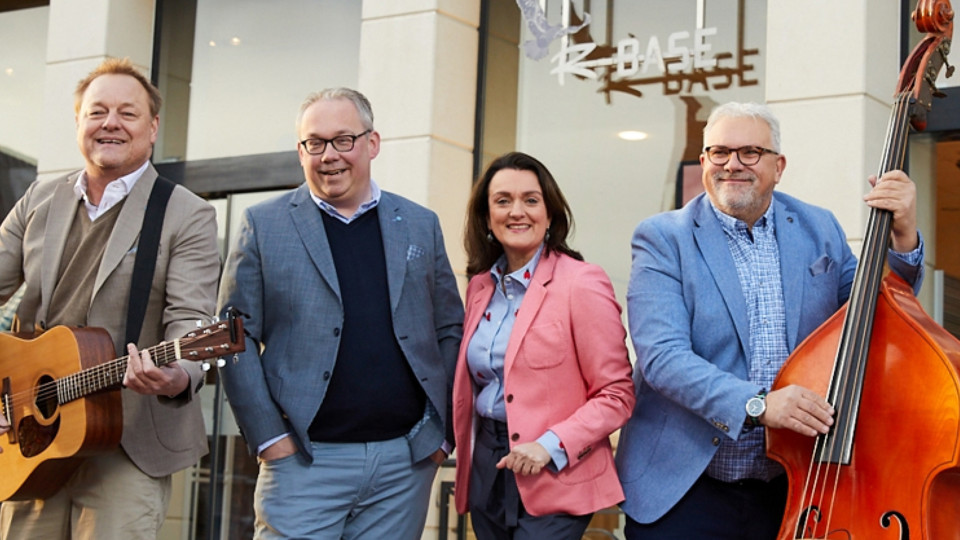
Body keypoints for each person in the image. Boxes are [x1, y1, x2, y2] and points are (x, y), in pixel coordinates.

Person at [614, 101, 924, 539]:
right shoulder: (663, 238)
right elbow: (663, 358)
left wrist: (903, 236)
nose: (732, 164)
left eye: (750, 152)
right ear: (704, 161)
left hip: (794, 485)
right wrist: (758, 404)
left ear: (778, 167)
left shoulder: (820, 227)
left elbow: (879, 315)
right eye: (720, 152)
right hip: (686, 489)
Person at [216, 87, 464, 540]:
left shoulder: (420, 223)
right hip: (303, 462)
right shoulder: (264, 225)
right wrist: (269, 438)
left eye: (343, 140)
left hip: (403, 466)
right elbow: (233, 336)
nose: (329, 155)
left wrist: (438, 435)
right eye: (315, 143)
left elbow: (449, 327)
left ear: (372, 143)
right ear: (301, 152)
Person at [0, 57, 219, 538]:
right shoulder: (38, 200)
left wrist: (177, 375)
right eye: (97, 112)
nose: (110, 123)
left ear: (153, 127)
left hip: (128, 440)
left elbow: (191, 320)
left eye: (127, 113)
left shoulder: (187, 214)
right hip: (31, 440)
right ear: (79, 122)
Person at [453, 151, 636, 539]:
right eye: (503, 200)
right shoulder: (480, 287)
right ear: (487, 217)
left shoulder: (582, 282)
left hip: (556, 471)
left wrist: (550, 446)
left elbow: (616, 394)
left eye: (531, 200)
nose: (517, 211)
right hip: (487, 467)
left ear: (550, 214)